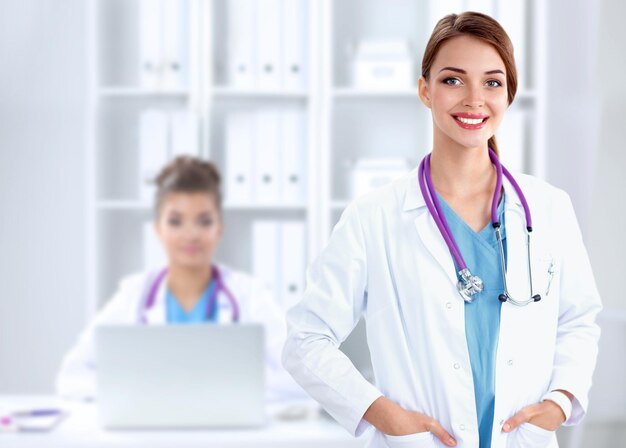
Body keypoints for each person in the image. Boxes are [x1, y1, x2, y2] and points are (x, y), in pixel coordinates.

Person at [282, 12, 601, 448]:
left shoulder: (548, 208)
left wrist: (562, 400)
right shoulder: (375, 217)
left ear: (508, 95)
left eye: (492, 82)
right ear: (424, 91)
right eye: (453, 80)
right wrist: (379, 412)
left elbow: (578, 319)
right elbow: (305, 339)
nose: (474, 99)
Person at [57, 155, 302, 402]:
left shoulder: (249, 295)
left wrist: (228, 388)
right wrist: (138, 391)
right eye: (175, 221)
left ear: (219, 228)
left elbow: (301, 377)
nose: (190, 234)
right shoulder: (134, 295)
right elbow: (72, 376)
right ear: (158, 229)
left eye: (204, 221)